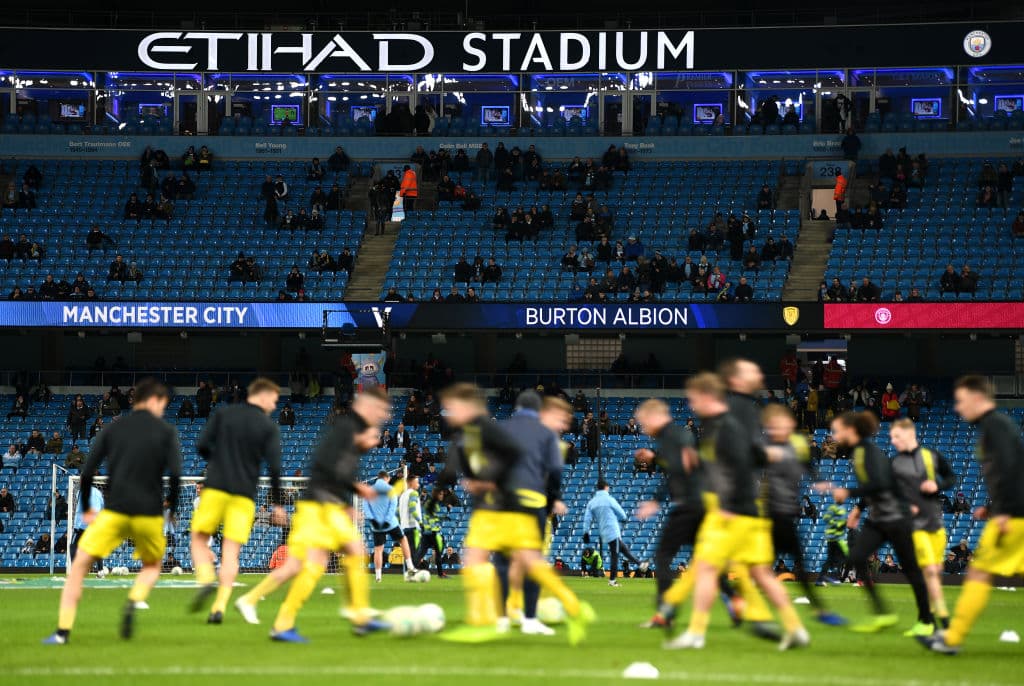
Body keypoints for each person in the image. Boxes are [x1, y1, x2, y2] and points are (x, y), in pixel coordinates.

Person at [436, 384, 594, 645]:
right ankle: (534, 617)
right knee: (532, 560)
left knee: (500, 561)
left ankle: (500, 617)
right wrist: (552, 500)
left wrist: (479, 480)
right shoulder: (545, 434)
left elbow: (474, 454)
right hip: (533, 502)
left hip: (500, 501)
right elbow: (554, 471)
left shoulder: (501, 428)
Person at [664, 373, 809, 651]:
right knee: (762, 574)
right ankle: (795, 628)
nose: (692, 405)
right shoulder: (731, 426)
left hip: (732, 514)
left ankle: (695, 632)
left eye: (694, 399)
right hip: (751, 513)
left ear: (708, 397)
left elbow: (741, 467)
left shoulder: (723, 428)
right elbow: (756, 456)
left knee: (706, 568)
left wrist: (729, 503)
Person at [233, 388, 392, 640]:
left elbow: (337, 471)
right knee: (344, 553)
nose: (383, 417)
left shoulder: (351, 431)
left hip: (324, 505)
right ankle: (357, 616)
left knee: (321, 562)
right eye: (382, 410)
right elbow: (325, 466)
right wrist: (355, 489)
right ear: (368, 406)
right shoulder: (347, 428)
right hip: (319, 506)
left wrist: (348, 498)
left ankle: (286, 621)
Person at [43, 379, 181, 644]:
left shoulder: (111, 430)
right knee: (152, 565)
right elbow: (174, 477)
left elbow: (86, 473)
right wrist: (171, 510)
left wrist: (85, 509)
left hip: (115, 511)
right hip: (150, 514)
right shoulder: (167, 432)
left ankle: (62, 632)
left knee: (79, 567)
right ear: (153, 400)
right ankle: (134, 599)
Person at [920, 376, 1024, 655]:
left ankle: (952, 639)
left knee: (978, 573)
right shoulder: (997, 426)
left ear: (978, 398)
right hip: (1013, 513)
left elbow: (1011, 468)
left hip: (1013, 518)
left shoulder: (994, 427)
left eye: (962, 401)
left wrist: (1002, 511)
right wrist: (991, 508)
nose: (958, 408)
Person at [819, 411, 934, 634]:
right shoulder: (860, 452)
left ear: (851, 430)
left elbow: (880, 484)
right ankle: (882, 614)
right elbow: (875, 484)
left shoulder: (866, 452)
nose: (834, 435)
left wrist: (848, 492)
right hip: (878, 519)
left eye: (837, 430)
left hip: (897, 519)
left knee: (911, 569)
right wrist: (859, 508)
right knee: (857, 557)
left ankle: (926, 621)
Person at [189, 378, 285, 624]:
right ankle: (219, 607)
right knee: (231, 553)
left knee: (199, 539)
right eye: (273, 400)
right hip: (244, 495)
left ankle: (205, 578)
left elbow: (201, 446)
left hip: (216, 487)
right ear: (261, 396)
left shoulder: (224, 414)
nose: (274, 406)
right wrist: (277, 504)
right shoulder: (268, 427)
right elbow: (275, 468)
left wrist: (219, 460)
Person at [760, 404, 845, 625]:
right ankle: (747, 606)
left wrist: (818, 480)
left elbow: (807, 464)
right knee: (761, 567)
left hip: (787, 516)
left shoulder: (796, 444)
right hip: (769, 516)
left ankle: (819, 611)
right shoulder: (765, 446)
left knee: (799, 563)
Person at [633, 398, 701, 629]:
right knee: (706, 560)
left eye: (643, 423)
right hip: (699, 503)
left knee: (662, 557)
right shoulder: (676, 435)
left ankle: (665, 615)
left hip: (690, 504)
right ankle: (735, 600)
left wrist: (656, 500)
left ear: (654, 416)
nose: (643, 428)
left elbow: (679, 469)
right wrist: (655, 457)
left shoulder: (671, 435)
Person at [890, 418, 956, 633]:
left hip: (936, 522)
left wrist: (937, 484)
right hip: (914, 526)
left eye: (896, 436)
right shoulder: (895, 464)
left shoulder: (931, 456)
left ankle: (931, 616)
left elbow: (951, 478)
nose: (892, 441)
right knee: (929, 571)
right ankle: (944, 622)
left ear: (910, 434)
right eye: (891, 437)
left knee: (936, 571)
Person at [583, 480, 642, 586]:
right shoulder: (609, 499)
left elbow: (587, 518)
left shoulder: (592, 502)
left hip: (604, 532)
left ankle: (641, 564)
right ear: (606, 487)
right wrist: (624, 518)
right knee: (615, 555)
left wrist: (586, 532)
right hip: (612, 531)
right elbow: (620, 511)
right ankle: (612, 580)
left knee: (624, 550)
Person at [363, 471, 417, 582]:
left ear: (378, 478)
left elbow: (366, 507)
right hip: (390, 523)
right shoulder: (390, 489)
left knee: (378, 549)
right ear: (387, 478)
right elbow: (393, 506)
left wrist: (372, 519)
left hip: (376, 525)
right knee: (403, 540)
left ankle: (378, 576)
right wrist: (387, 520)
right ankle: (410, 566)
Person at [816, 496, 848, 584]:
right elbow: (842, 524)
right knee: (842, 557)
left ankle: (820, 579)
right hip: (837, 538)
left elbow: (825, 518)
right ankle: (835, 577)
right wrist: (838, 524)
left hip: (830, 538)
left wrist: (833, 522)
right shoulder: (842, 509)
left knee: (830, 559)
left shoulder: (831, 507)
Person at [398, 474, 423, 554]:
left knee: (407, 555)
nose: (418, 484)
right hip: (413, 527)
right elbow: (412, 509)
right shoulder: (414, 493)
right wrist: (420, 522)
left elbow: (397, 512)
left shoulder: (402, 496)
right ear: (412, 483)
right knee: (415, 552)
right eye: (417, 482)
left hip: (403, 527)